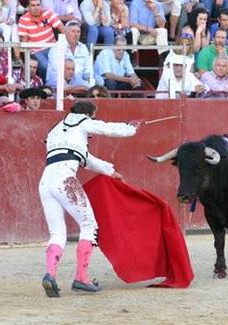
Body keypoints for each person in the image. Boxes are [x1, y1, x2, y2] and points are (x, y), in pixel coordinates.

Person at [39, 101, 139, 297]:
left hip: (45, 182)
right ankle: (81, 278)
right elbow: (107, 128)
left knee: (57, 232)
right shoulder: (84, 122)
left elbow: (84, 157)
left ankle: (50, 275)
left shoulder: (56, 130)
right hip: (65, 180)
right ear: (88, 114)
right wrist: (131, 128)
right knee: (89, 226)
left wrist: (110, 171)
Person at [18, 0, 66, 81]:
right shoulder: (23, 19)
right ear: (28, 7)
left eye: (38, 5)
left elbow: (62, 28)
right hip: (36, 50)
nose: (36, 8)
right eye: (33, 5)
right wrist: (26, 58)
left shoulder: (47, 13)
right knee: (45, 66)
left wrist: (65, 45)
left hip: (52, 47)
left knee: (59, 65)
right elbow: (24, 42)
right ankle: (46, 85)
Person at [46, 20, 93, 89]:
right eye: (73, 31)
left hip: (78, 80)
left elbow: (88, 70)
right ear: (66, 33)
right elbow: (57, 70)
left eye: (78, 32)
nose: (76, 34)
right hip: (59, 80)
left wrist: (89, 82)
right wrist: (76, 87)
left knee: (94, 85)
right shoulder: (57, 47)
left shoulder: (83, 47)